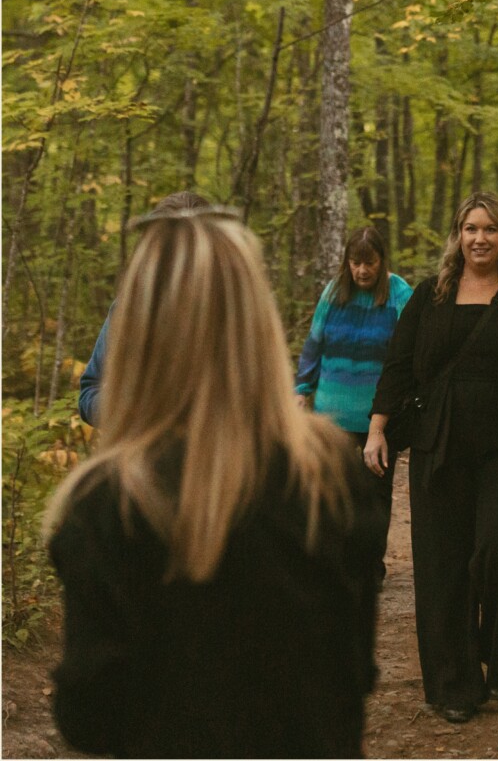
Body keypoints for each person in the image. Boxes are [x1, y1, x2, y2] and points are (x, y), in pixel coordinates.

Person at [45, 208, 383, 760]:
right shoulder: (329, 474)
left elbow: (88, 715)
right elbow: (355, 673)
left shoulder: (106, 503)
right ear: (256, 323)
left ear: (136, 334)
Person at [363, 191, 498, 725]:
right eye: (471, 229)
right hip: (439, 446)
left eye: (490, 230)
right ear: (458, 236)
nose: (480, 239)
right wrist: (377, 429)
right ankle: (454, 685)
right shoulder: (430, 296)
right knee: (442, 567)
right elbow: (398, 365)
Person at [295, 226, 412, 584]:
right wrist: (301, 389)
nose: (362, 271)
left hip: (379, 415)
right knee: (332, 491)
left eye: (369, 263)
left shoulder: (398, 293)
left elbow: (410, 351)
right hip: (332, 413)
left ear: (381, 261)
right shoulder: (334, 292)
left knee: (375, 494)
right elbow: (315, 344)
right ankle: (335, 562)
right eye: (355, 263)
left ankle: (370, 565)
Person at [78, 190, 211, 426]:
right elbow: (89, 392)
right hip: (141, 445)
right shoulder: (130, 307)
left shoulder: (234, 311)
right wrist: (125, 407)